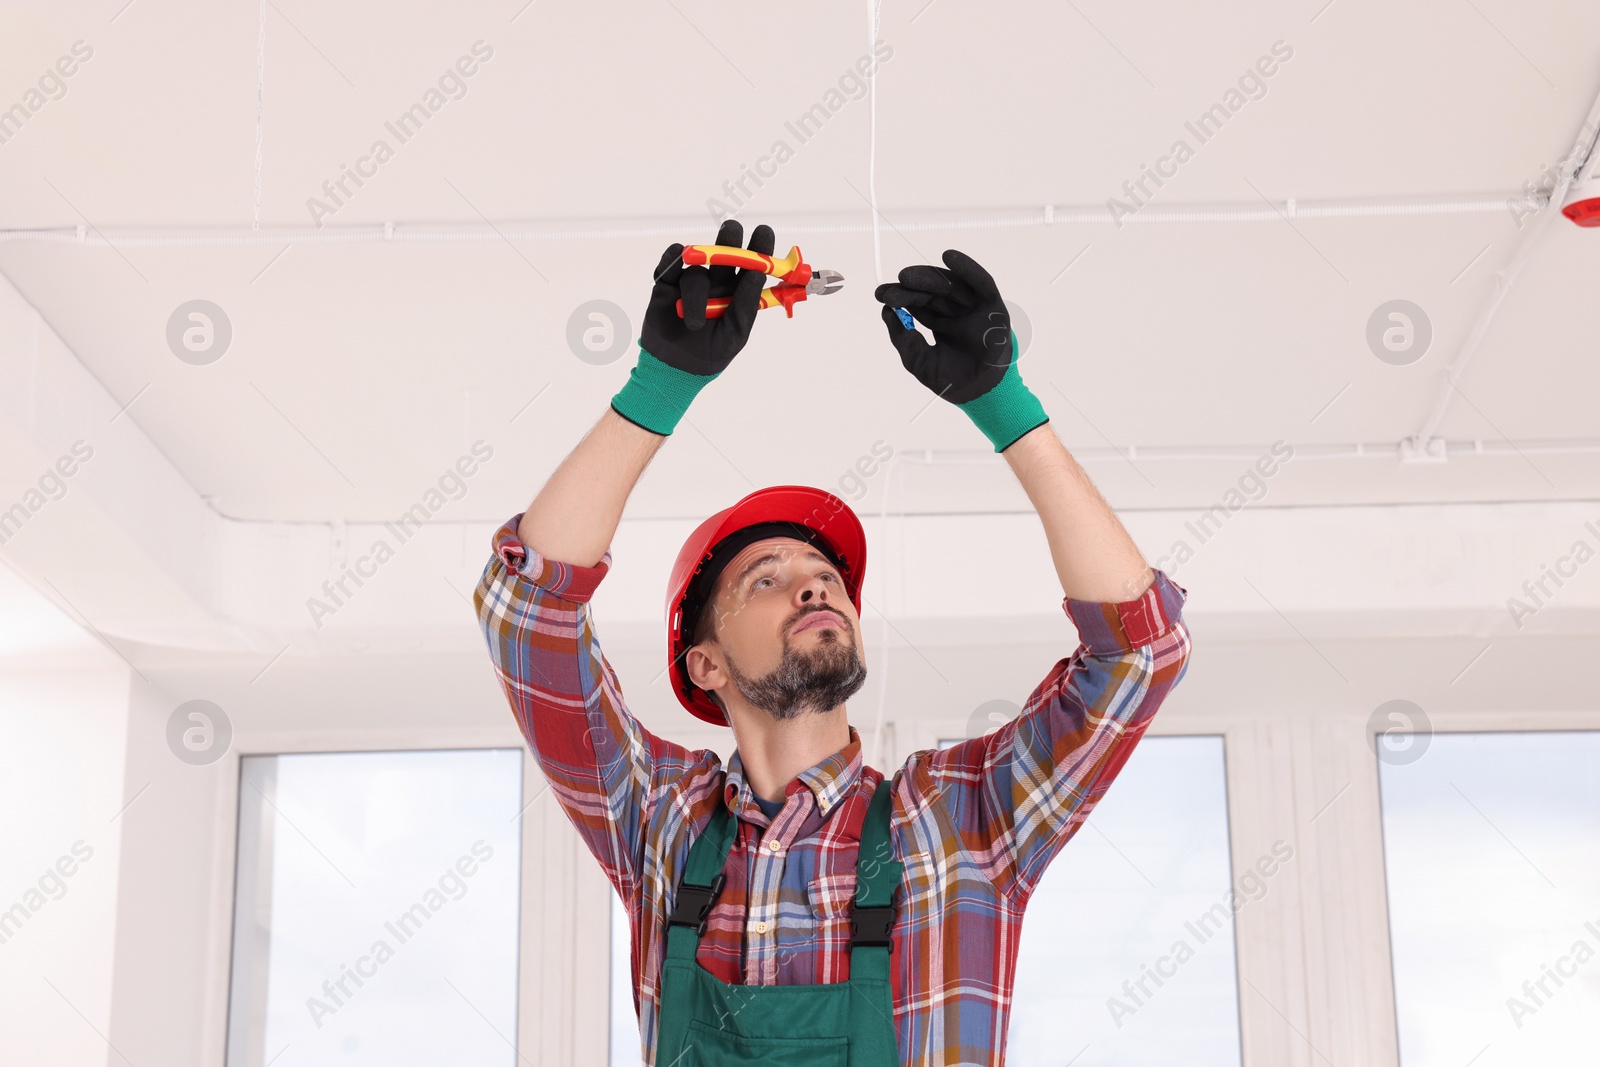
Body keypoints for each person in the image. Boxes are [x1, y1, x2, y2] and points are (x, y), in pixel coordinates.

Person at [473, 220, 1192, 1066]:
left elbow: (1137, 654)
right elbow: (528, 613)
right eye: (766, 578)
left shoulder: (963, 822)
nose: (815, 584)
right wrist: (658, 387)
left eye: (824, 574)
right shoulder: (660, 825)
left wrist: (1008, 411)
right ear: (703, 664)